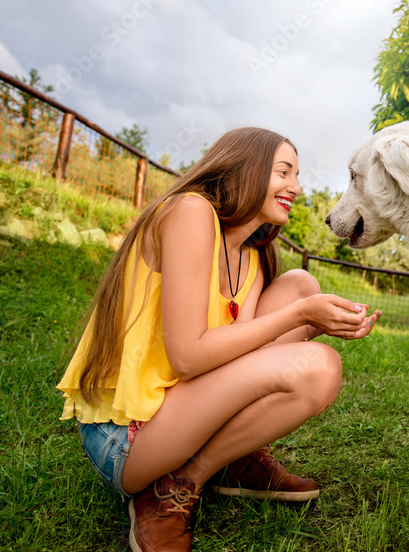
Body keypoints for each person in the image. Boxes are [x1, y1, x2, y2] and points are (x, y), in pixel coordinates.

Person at [57, 127, 381, 552]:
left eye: (297, 175)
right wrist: (300, 317)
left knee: (302, 284)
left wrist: (318, 318)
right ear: (244, 167)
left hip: (180, 407)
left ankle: (225, 461)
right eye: (284, 172)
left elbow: (236, 355)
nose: (296, 188)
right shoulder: (189, 212)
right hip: (126, 434)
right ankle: (170, 490)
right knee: (318, 363)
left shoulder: (250, 254)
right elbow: (189, 357)